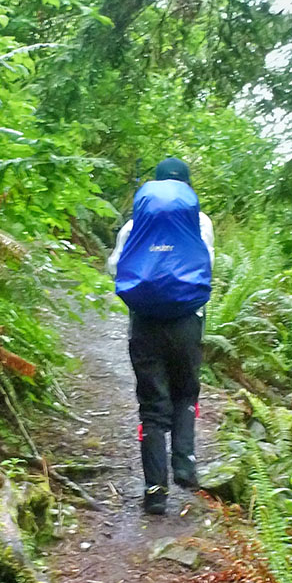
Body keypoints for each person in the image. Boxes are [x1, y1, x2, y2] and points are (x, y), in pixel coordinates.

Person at [107, 157, 214, 515]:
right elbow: (208, 265)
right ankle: (184, 461)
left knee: (152, 407)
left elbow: (115, 267)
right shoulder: (200, 222)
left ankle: (155, 492)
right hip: (187, 321)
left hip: (145, 322)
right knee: (186, 390)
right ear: (187, 187)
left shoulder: (135, 225)